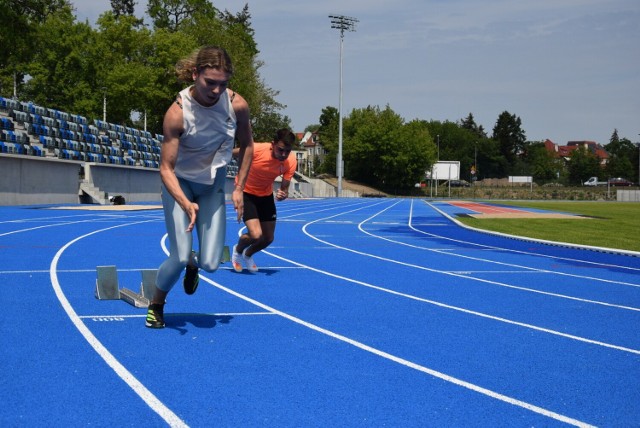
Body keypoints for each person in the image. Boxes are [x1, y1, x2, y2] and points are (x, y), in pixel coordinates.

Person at [146, 46, 254, 329]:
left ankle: (195, 264)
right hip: (179, 186)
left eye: (223, 84)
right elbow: (165, 169)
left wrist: (239, 187)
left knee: (210, 264)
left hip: (211, 188)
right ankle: (157, 303)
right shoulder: (177, 113)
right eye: (210, 83)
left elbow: (248, 146)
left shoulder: (237, 106)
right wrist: (184, 202)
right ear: (195, 75)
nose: (217, 90)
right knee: (180, 256)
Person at [230, 129, 297, 273]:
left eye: (287, 151)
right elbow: (232, 152)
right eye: (281, 150)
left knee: (268, 238)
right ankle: (237, 251)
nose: (283, 155)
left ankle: (248, 255)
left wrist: (283, 194)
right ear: (272, 144)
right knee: (255, 234)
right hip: (247, 193)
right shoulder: (258, 149)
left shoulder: (290, 161)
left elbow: (285, 187)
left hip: (265, 195)